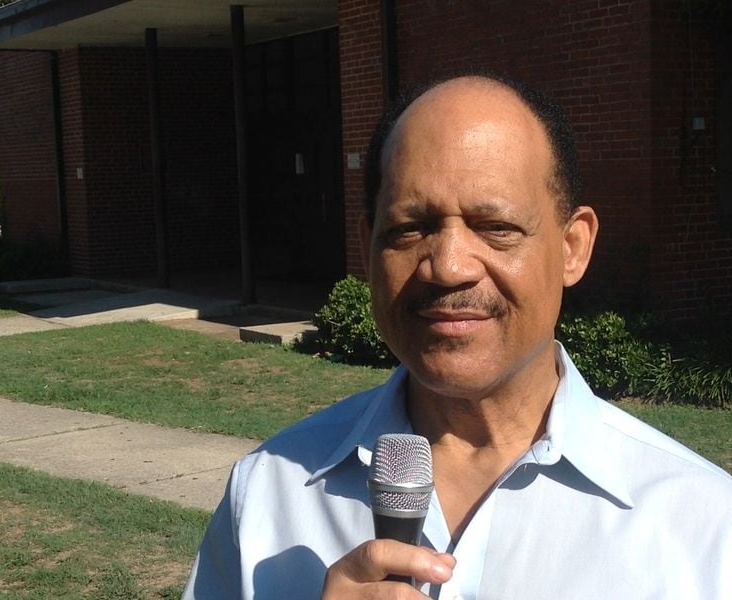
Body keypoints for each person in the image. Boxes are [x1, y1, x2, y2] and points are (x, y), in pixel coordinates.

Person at [182, 73, 732, 599]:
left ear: (573, 246)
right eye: (408, 229)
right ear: (368, 246)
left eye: (496, 229)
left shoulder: (704, 529)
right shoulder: (265, 496)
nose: (447, 267)